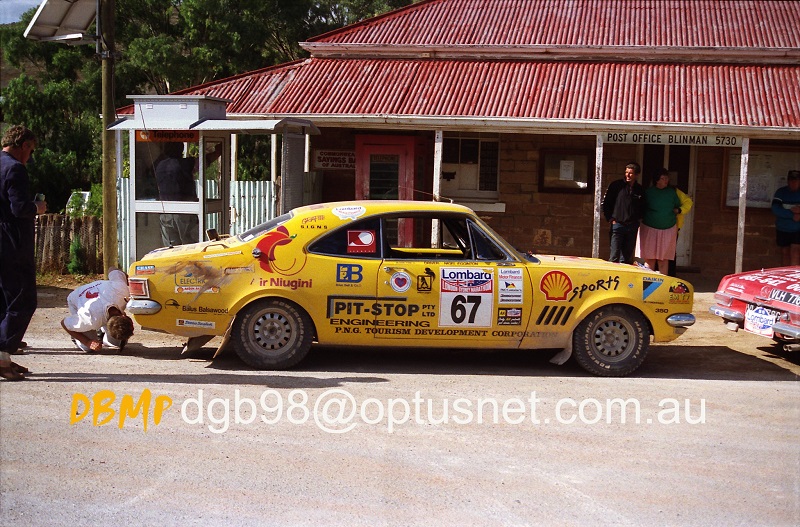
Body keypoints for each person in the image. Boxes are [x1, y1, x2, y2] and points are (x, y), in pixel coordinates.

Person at [1, 125, 47, 381]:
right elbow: (19, 208)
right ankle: (1, 353)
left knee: (3, 302)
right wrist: (36, 207)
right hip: (12, 243)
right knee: (23, 300)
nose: (30, 156)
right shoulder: (15, 169)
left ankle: (4, 357)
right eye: (30, 149)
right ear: (22, 145)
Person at [61, 268, 134, 352]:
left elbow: (113, 269)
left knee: (116, 343)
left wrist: (131, 283)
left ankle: (101, 334)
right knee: (88, 348)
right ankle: (78, 332)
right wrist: (87, 342)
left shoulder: (122, 291)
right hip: (77, 297)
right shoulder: (89, 319)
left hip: (99, 292)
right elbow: (64, 323)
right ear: (123, 315)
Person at [155, 141, 201, 247]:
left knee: (170, 249)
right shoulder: (185, 164)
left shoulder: (159, 165)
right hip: (184, 213)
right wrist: (219, 149)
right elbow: (204, 162)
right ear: (181, 150)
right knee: (191, 247)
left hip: (165, 212)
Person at [638, 169, 682, 273]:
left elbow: (678, 205)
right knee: (650, 258)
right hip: (650, 229)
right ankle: (648, 285)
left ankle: (662, 285)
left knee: (663, 259)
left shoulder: (671, 192)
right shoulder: (649, 192)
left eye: (667, 178)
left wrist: (678, 210)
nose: (666, 180)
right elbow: (641, 207)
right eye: (663, 178)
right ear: (657, 180)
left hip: (668, 229)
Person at [601, 162, 645, 264]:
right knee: (614, 256)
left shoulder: (640, 189)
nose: (628, 175)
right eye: (626, 172)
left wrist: (638, 220)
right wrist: (611, 219)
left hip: (632, 226)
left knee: (626, 258)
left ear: (637, 175)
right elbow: (606, 203)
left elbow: (643, 206)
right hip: (617, 224)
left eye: (631, 173)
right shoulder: (616, 186)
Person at [771, 169, 800, 266]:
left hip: (798, 229)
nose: (793, 183)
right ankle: (786, 276)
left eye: (796, 180)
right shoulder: (781, 192)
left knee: (795, 252)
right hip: (783, 228)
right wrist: (792, 215)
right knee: (785, 253)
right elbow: (775, 208)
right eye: (791, 180)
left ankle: (794, 278)